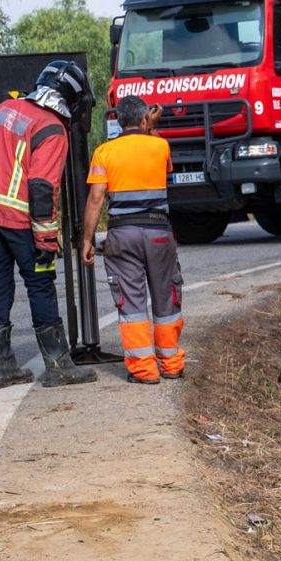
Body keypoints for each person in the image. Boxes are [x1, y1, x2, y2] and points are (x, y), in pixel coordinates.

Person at [0, 60, 98, 389]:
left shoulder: (0, 109)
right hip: (20, 219)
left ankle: (2, 367)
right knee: (40, 284)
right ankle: (58, 365)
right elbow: (41, 187)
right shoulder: (51, 128)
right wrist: (47, 243)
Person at [81, 96, 184, 384]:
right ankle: (172, 364)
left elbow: (96, 198)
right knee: (166, 297)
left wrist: (87, 240)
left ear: (117, 120)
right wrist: (152, 128)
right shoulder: (160, 145)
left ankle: (144, 370)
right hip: (159, 234)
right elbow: (163, 167)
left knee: (132, 303)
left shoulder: (104, 152)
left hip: (122, 235)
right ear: (143, 120)